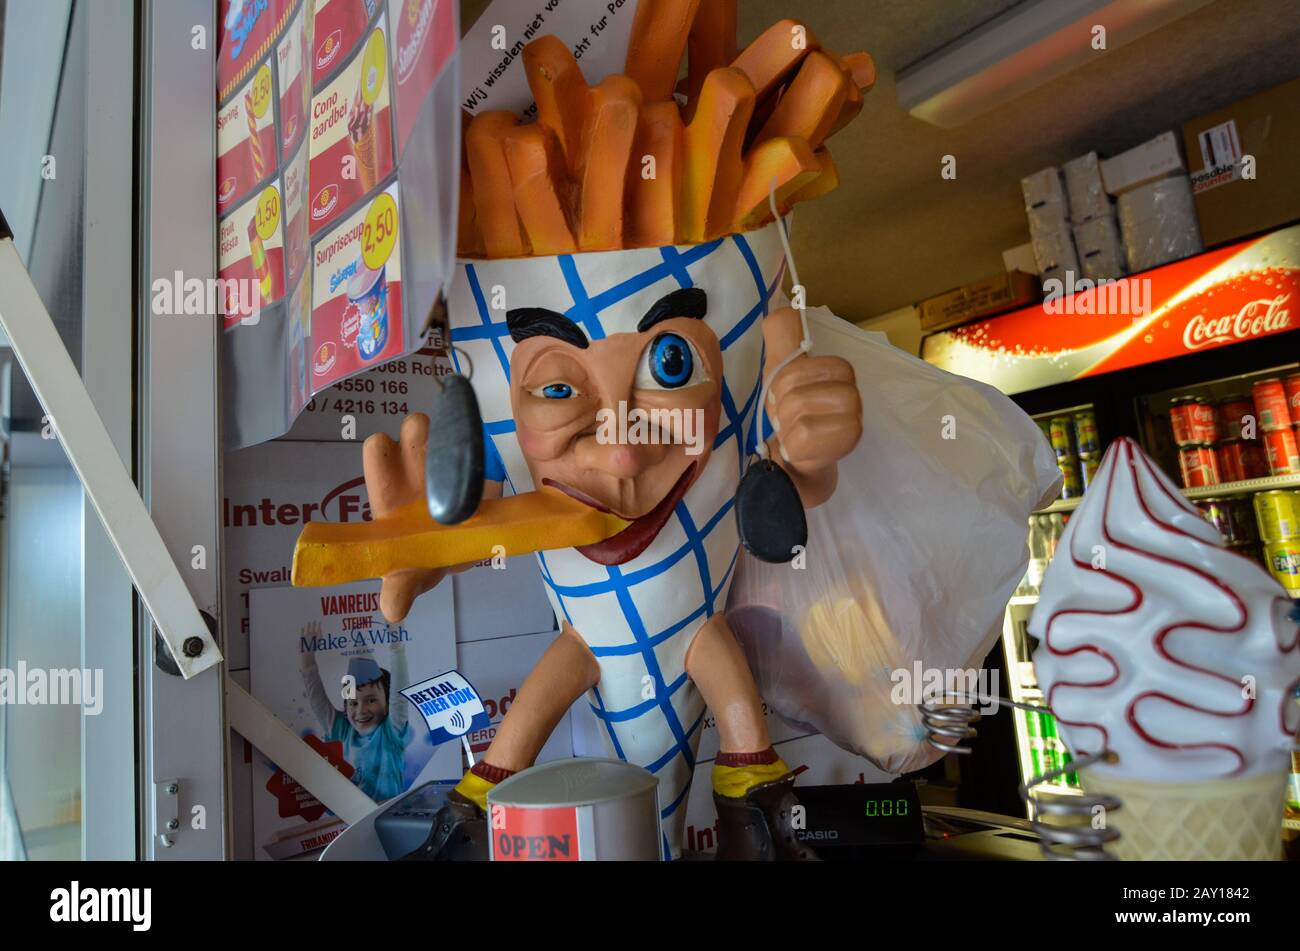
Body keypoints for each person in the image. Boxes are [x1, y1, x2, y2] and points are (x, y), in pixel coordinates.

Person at [300, 625, 410, 802]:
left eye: (371, 700)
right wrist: (308, 659)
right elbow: (318, 702)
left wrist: (397, 646)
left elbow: (400, 695)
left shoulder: (390, 732)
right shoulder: (343, 732)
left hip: (388, 814)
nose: (360, 710)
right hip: (353, 817)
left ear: (387, 703)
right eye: (353, 703)